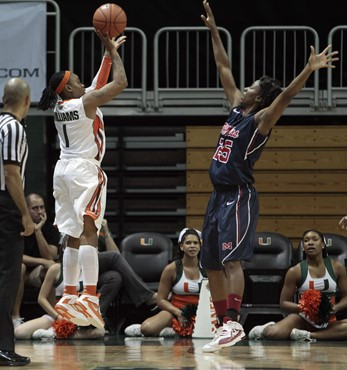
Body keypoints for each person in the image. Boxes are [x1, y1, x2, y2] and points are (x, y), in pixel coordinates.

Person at [199, 0, 339, 353]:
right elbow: (223, 65)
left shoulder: (261, 121)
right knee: (212, 265)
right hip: (217, 196)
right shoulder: (235, 107)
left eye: (251, 86)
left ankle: (234, 322)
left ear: (260, 96)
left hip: (238, 195)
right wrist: (214, 32)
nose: (244, 87)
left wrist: (308, 70)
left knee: (231, 260)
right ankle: (222, 324)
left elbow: (287, 96)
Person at [37, 31, 128, 329]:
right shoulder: (83, 104)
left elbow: (95, 85)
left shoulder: (61, 107)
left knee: (72, 236)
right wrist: (115, 56)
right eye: (76, 79)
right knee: (91, 229)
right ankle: (89, 296)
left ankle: (70, 294)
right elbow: (119, 83)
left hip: (62, 170)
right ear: (69, 89)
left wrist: (106, 51)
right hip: (84, 170)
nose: (81, 81)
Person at [15, 233, 156, 338]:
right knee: (19, 332)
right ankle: (58, 331)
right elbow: (41, 299)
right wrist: (58, 317)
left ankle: (55, 334)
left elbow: (113, 263)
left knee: (99, 332)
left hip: (80, 316)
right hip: (59, 314)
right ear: (64, 248)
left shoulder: (90, 269)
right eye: (72, 247)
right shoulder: (56, 269)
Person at [248, 229, 347, 341]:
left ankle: (307, 336)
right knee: (273, 334)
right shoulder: (295, 271)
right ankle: (267, 327)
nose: (310, 243)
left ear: (323, 245)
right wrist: (305, 308)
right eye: (306, 240)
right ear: (303, 247)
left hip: (328, 320)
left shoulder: (337, 267)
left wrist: (335, 308)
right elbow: (283, 303)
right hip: (302, 319)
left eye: (315, 239)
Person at [0, 78, 35, 366]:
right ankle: (3, 347)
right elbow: (11, 173)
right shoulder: (13, 128)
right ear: (27, 101)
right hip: (5, 206)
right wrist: (24, 212)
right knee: (7, 278)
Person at [124, 228, 205, 337]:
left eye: (195, 243)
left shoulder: (208, 269)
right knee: (147, 328)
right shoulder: (171, 269)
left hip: (201, 312)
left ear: (200, 246)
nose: (192, 246)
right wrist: (178, 313)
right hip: (175, 311)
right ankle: (142, 330)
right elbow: (160, 300)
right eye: (188, 243)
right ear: (181, 246)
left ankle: (169, 332)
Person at [12, 193, 60, 328]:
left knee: (50, 269)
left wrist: (38, 231)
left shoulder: (50, 229)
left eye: (42, 208)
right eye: (35, 208)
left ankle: (52, 317)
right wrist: (42, 261)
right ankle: (15, 316)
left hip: (35, 273)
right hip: (18, 271)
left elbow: (50, 257)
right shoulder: (17, 227)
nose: (39, 212)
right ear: (26, 210)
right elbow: (16, 256)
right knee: (20, 267)